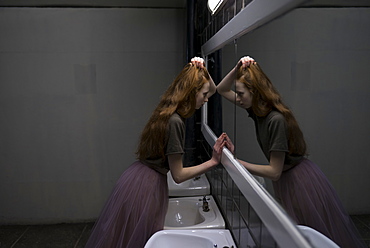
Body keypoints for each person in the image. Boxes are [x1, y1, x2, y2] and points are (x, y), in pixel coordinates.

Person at [217, 56, 366, 248]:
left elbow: (274, 172)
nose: (237, 98)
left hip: (300, 181)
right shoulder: (256, 110)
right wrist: (237, 67)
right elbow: (221, 89)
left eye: (240, 94)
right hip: (289, 179)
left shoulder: (275, 120)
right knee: (301, 234)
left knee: (308, 236)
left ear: (254, 92)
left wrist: (236, 163)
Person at [85, 57, 227, 248]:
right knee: (142, 240)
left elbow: (213, 88)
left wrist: (199, 70)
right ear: (191, 93)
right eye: (202, 94)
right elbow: (178, 175)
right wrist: (213, 161)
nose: (207, 98)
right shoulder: (176, 122)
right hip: (148, 186)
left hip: (136, 178)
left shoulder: (167, 111)